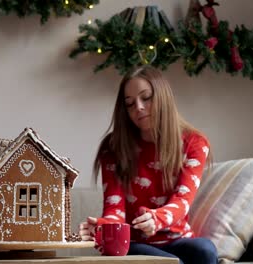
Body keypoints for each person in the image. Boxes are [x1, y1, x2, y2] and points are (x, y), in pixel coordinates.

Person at [79, 65, 218, 264]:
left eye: (146, 97)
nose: (139, 107)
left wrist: (157, 219)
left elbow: (183, 200)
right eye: (129, 103)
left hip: (178, 240)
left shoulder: (194, 143)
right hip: (133, 243)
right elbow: (114, 210)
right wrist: (102, 227)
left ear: (163, 96)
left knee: (205, 250)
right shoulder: (113, 148)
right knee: (169, 262)